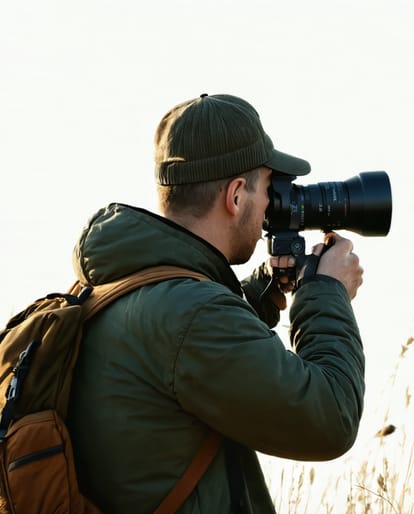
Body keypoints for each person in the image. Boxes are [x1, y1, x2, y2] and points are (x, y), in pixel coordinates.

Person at [67, 94, 366, 513]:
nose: (271, 206)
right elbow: (330, 419)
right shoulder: (191, 315)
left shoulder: (117, 286)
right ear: (237, 195)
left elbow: (185, 348)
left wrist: (263, 290)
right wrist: (326, 294)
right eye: (269, 188)